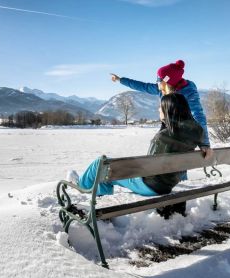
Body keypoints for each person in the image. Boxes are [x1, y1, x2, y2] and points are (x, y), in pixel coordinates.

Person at [67, 92, 204, 217]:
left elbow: (149, 169)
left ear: (168, 110)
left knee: (101, 164)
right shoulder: (197, 131)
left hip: (151, 186)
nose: (158, 110)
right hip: (169, 182)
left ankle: (82, 186)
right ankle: (102, 198)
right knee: (108, 169)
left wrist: (130, 169)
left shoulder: (163, 137)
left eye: (160, 107)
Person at [111, 60, 213, 160]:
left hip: (181, 134)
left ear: (167, 81)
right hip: (169, 130)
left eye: (159, 80)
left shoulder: (188, 93)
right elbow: (142, 86)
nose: (157, 84)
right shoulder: (161, 89)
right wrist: (121, 80)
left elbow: (198, 115)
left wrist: (205, 144)